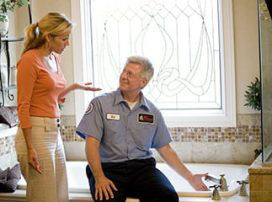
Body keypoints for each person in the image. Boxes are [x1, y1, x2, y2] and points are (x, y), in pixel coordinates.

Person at [76, 56, 209, 202]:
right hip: (108, 169)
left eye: (130, 74)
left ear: (143, 82)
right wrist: (99, 178)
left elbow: (165, 149)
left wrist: (190, 177)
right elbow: (91, 144)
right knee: (107, 199)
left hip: (142, 170)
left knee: (168, 197)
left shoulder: (152, 112)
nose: (124, 76)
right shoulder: (100, 104)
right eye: (124, 71)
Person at [15, 12, 101, 202]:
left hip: (54, 131)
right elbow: (23, 105)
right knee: (43, 197)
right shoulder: (30, 60)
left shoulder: (54, 59)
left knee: (61, 195)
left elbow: (52, 96)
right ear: (48, 37)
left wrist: (75, 87)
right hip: (35, 133)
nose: (67, 43)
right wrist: (30, 148)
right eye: (64, 38)